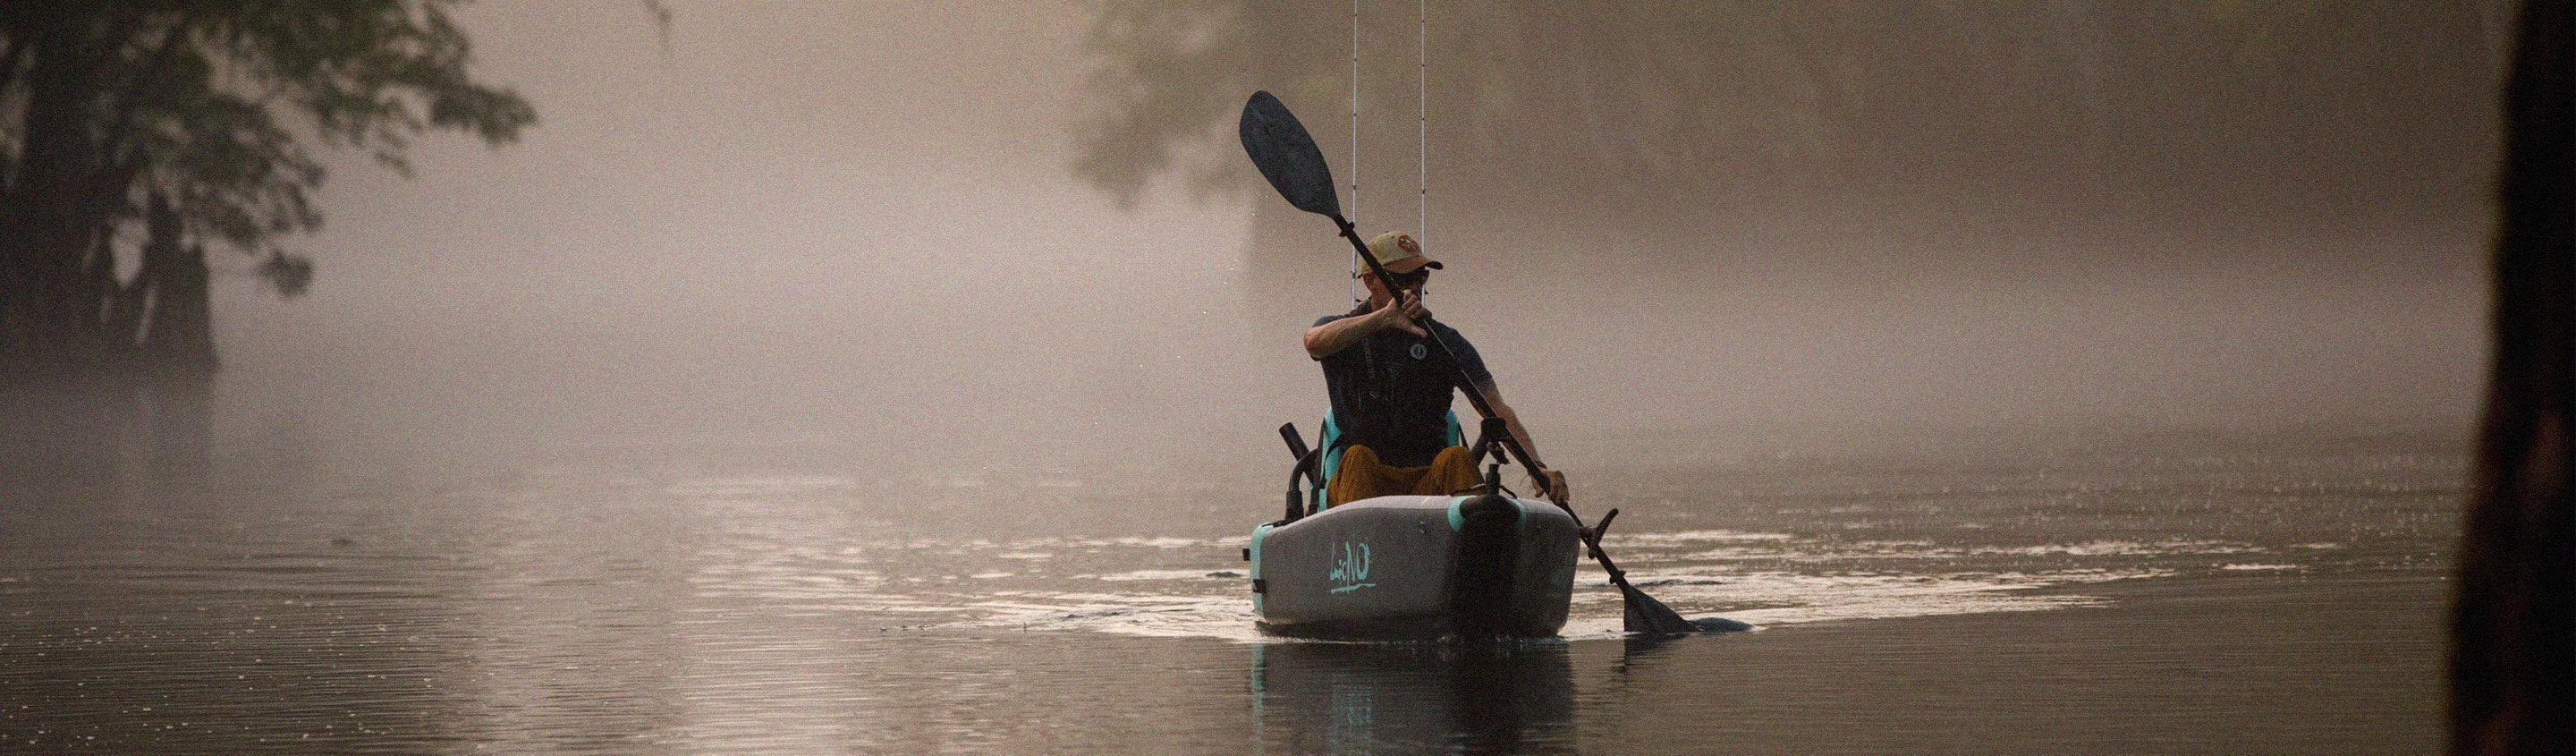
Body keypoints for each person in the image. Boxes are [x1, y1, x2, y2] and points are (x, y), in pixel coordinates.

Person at [1303, 231, 1570, 507]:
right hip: (1365, 481)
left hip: (1428, 483)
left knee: (1457, 457)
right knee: (1358, 456)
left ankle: (1471, 539)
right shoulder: (1344, 329)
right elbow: (1313, 342)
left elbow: (1495, 407)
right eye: (1402, 279)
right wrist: (1382, 319)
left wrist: (1536, 466)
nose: (1414, 287)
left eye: (1420, 277)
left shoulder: (1445, 342)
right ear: (1371, 282)